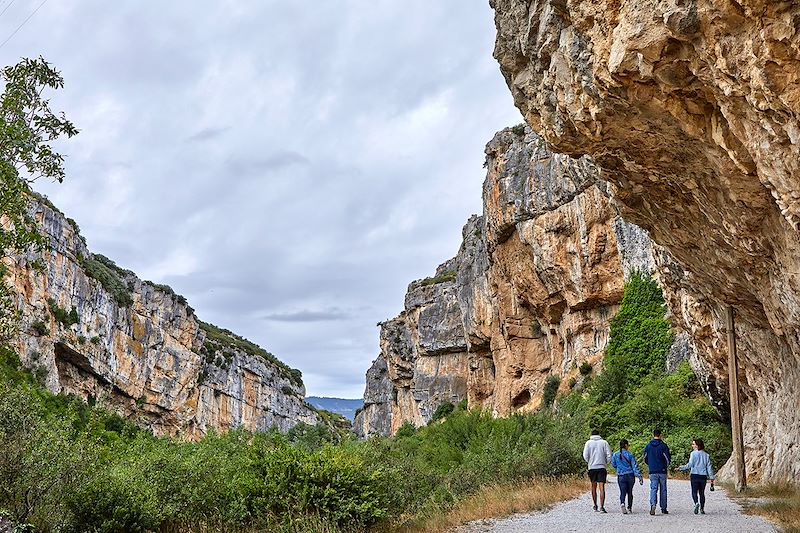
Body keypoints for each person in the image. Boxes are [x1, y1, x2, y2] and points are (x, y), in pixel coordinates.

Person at [678, 438, 715, 514]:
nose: (692, 445)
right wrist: (711, 478)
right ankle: (702, 509)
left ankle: (696, 503)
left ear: (697, 446)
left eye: (693, 444)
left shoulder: (693, 454)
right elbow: (709, 467)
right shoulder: (706, 455)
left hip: (694, 475)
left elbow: (690, 464)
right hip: (703, 476)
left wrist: (681, 468)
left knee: (694, 491)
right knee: (702, 493)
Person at [643, 429, 672, 515]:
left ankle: (653, 505)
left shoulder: (648, 446)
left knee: (653, 488)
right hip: (662, 471)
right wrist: (665, 466)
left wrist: (650, 465)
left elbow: (645, 458)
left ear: (653, 435)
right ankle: (663, 508)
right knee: (663, 490)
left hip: (652, 471)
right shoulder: (663, 446)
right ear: (660, 435)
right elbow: (667, 459)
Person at [611, 439, 643, 514]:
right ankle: (629, 507)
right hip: (630, 475)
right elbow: (634, 466)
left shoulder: (615, 454)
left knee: (622, 491)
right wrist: (639, 476)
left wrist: (619, 469)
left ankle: (622, 503)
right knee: (630, 492)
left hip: (621, 475)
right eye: (628, 445)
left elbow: (613, 464)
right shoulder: (630, 455)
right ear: (625, 445)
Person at [583, 429, 612, 513]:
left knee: (593, 486)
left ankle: (595, 505)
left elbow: (585, 455)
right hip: (602, 467)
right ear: (599, 435)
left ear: (591, 435)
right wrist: (606, 463)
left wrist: (590, 462)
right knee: (601, 487)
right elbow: (609, 455)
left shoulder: (588, 443)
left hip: (592, 467)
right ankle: (602, 507)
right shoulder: (604, 442)